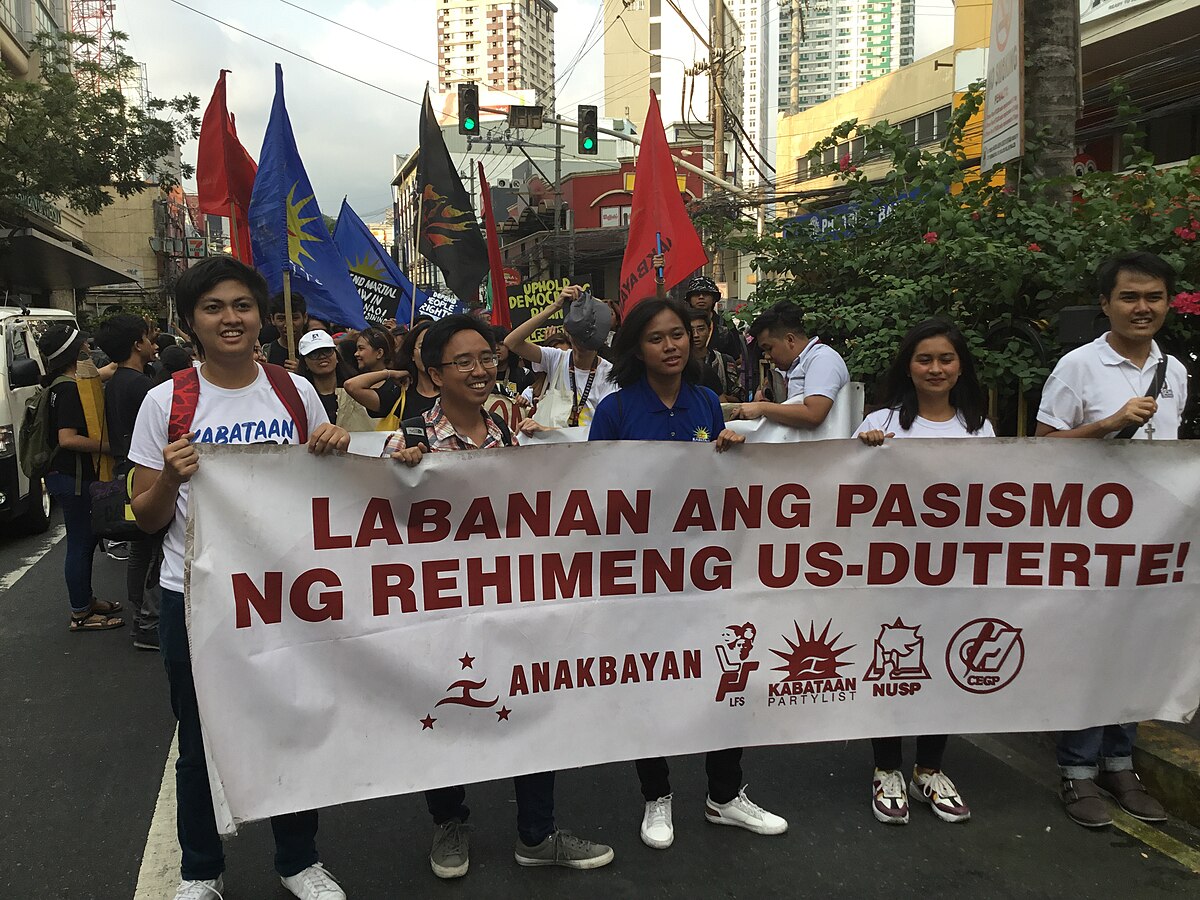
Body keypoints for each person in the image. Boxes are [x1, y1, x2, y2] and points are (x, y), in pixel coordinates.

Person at [128, 257, 350, 900]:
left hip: (285, 595)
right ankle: (200, 870)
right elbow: (145, 517)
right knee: (200, 740)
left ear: (262, 317)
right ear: (191, 322)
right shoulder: (165, 400)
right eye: (214, 308)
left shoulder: (292, 390)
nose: (231, 318)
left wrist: (333, 447)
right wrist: (170, 476)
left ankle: (298, 859)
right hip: (195, 597)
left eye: (242, 306)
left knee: (292, 725)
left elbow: (325, 489)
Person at [387, 314, 614, 879]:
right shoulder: (409, 439)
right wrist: (394, 475)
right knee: (447, 709)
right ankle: (449, 823)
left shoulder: (512, 434)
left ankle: (536, 835)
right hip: (440, 608)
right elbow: (378, 528)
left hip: (511, 604)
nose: (480, 370)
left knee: (530, 708)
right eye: (463, 361)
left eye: (487, 358)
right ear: (434, 374)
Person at [587, 297, 788, 850]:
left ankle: (725, 795)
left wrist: (731, 456)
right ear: (636, 348)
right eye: (656, 338)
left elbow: (720, 490)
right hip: (642, 573)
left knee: (725, 678)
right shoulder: (616, 409)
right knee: (650, 682)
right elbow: (592, 493)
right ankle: (657, 794)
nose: (671, 345)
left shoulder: (705, 401)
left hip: (706, 571)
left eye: (678, 334)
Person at [1035, 251, 1185, 829]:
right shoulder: (1078, 366)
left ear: (1167, 303)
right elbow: (1045, 450)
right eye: (1129, 297)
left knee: (1137, 649)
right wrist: (1107, 424)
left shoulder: (1177, 368)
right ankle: (1077, 771)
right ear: (1106, 304)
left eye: (1153, 297)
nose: (1142, 308)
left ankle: (1121, 764)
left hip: (1154, 538)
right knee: (1093, 648)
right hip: (1091, 539)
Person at [854, 318, 994, 827]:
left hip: (953, 572)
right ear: (907, 366)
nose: (935, 369)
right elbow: (844, 496)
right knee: (891, 666)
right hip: (889, 575)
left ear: (961, 367)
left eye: (946, 359)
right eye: (924, 359)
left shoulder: (980, 429)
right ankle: (886, 767)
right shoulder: (881, 424)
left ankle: (929, 768)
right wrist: (861, 456)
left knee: (940, 666)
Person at [37, 325, 122, 632]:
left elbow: (103, 373)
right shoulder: (69, 390)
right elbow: (68, 438)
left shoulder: (66, 382)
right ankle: (80, 614)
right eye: (84, 345)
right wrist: (111, 448)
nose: (89, 348)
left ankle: (85, 601)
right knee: (80, 543)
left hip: (66, 476)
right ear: (77, 352)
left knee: (84, 539)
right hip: (72, 477)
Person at [95, 314, 161, 649]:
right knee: (152, 552)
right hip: (145, 476)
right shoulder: (142, 387)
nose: (154, 344)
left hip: (125, 471)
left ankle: (142, 619)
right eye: (149, 338)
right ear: (137, 344)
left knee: (141, 549)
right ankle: (149, 623)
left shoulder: (117, 382)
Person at [504, 286, 617, 427]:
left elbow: (607, 429)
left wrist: (593, 303)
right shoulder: (556, 358)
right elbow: (511, 342)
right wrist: (554, 307)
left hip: (591, 447)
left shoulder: (610, 374)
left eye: (589, 343)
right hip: (554, 446)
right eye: (577, 339)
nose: (581, 347)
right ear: (568, 333)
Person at [730, 303, 849, 429]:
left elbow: (814, 414)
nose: (767, 356)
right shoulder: (789, 367)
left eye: (769, 348)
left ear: (790, 340)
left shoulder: (823, 359)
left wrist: (762, 408)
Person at [344, 321, 438, 422]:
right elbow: (351, 386)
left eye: (435, 346)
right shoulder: (399, 393)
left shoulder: (453, 392)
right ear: (412, 354)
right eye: (421, 346)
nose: (428, 352)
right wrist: (390, 373)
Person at [297, 330, 374, 432]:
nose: (322, 356)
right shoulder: (299, 397)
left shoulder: (356, 391)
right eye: (314, 354)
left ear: (336, 356)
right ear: (305, 363)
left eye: (327, 351)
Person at [682, 275, 745, 375]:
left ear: (714, 298)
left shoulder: (725, 325)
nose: (701, 297)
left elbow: (737, 358)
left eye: (706, 294)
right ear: (689, 299)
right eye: (696, 294)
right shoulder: (682, 323)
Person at [685, 305, 741, 402]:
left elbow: (739, 398)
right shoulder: (680, 363)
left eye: (701, 329)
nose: (696, 335)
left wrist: (716, 396)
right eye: (691, 330)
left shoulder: (724, 361)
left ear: (709, 330)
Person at [262, 291, 308, 367]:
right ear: (272, 319)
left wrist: (301, 372)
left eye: (294, 318)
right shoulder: (266, 353)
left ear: (305, 317)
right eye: (281, 318)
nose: (288, 325)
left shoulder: (314, 350)